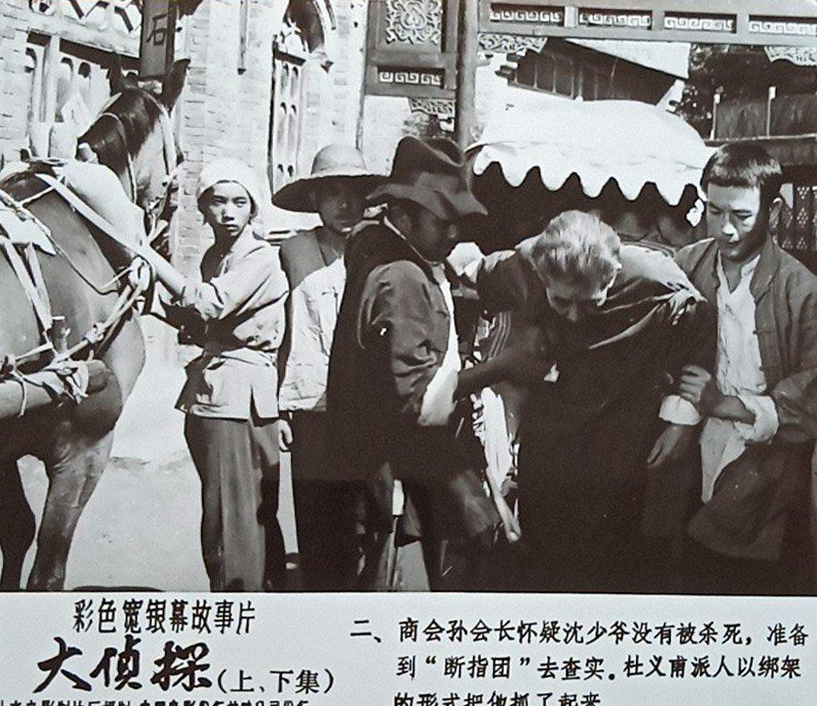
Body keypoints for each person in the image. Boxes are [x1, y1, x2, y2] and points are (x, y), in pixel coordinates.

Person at [452, 209, 715, 593]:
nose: (575, 317)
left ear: (613, 274)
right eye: (561, 303)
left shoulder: (654, 276)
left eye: (591, 303)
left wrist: (682, 420)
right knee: (544, 563)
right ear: (542, 277)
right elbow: (468, 266)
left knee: (610, 567)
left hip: (620, 443)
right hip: (549, 443)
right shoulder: (523, 266)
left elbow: (701, 324)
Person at [327, 136, 501, 591]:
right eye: (443, 222)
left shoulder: (380, 249)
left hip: (382, 472)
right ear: (403, 216)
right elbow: (420, 402)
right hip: (400, 480)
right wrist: (502, 367)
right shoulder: (402, 277)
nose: (454, 235)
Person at [674, 142, 817, 596]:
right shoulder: (687, 266)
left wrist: (726, 404)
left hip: (767, 465)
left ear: (773, 211)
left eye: (742, 216)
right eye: (714, 211)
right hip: (693, 451)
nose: (725, 229)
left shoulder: (801, 290)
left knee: (753, 585)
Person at [157, 158, 289, 592]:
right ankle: (250, 596)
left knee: (234, 517)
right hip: (216, 390)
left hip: (238, 397)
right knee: (234, 511)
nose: (228, 212)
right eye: (217, 202)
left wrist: (151, 258)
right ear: (203, 207)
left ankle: (238, 601)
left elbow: (210, 303)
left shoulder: (261, 258)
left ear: (253, 208)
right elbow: (201, 324)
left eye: (239, 202)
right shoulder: (216, 256)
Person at [271, 144, 384, 590]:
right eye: (333, 193)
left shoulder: (381, 251)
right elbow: (277, 332)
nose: (344, 204)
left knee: (368, 520)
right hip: (311, 406)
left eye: (354, 193)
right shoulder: (293, 253)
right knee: (317, 519)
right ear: (315, 199)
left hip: (367, 408)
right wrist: (280, 409)